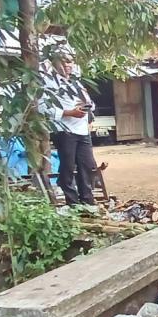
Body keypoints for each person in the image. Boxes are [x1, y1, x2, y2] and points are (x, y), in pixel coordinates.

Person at [40, 55, 98, 206]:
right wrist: (69, 113)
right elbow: (43, 108)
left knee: (87, 165)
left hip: (82, 130)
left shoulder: (76, 83)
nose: (67, 65)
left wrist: (87, 105)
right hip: (64, 131)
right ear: (55, 63)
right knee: (68, 166)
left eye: (70, 61)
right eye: (64, 61)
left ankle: (87, 201)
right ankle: (72, 202)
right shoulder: (49, 83)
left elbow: (91, 104)